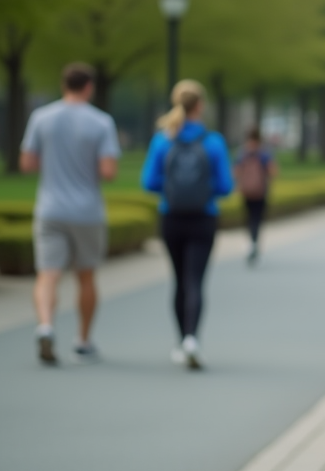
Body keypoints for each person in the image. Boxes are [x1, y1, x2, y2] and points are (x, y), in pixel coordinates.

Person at [19, 63, 120, 365]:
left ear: (64, 85)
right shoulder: (101, 122)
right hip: (87, 211)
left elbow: (27, 164)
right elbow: (109, 171)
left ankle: (46, 325)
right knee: (86, 276)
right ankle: (83, 339)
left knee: (48, 275)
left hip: (50, 207)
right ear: (88, 86)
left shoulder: (41, 117)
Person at [141, 80, 233, 371]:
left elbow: (149, 182)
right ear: (200, 105)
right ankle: (193, 339)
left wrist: (173, 190)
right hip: (203, 218)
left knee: (179, 280)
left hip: (172, 218)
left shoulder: (162, 140)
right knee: (196, 280)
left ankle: (182, 341)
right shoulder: (213, 141)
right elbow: (226, 186)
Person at [235, 126, 277, 265]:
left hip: (246, 191)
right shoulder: (264, 153)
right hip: (260, 192)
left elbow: (236, 171)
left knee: (248, 218)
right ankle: (254, 243)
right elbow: (273, 171)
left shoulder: (242, 152)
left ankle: (251, 243)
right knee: (257, 218)